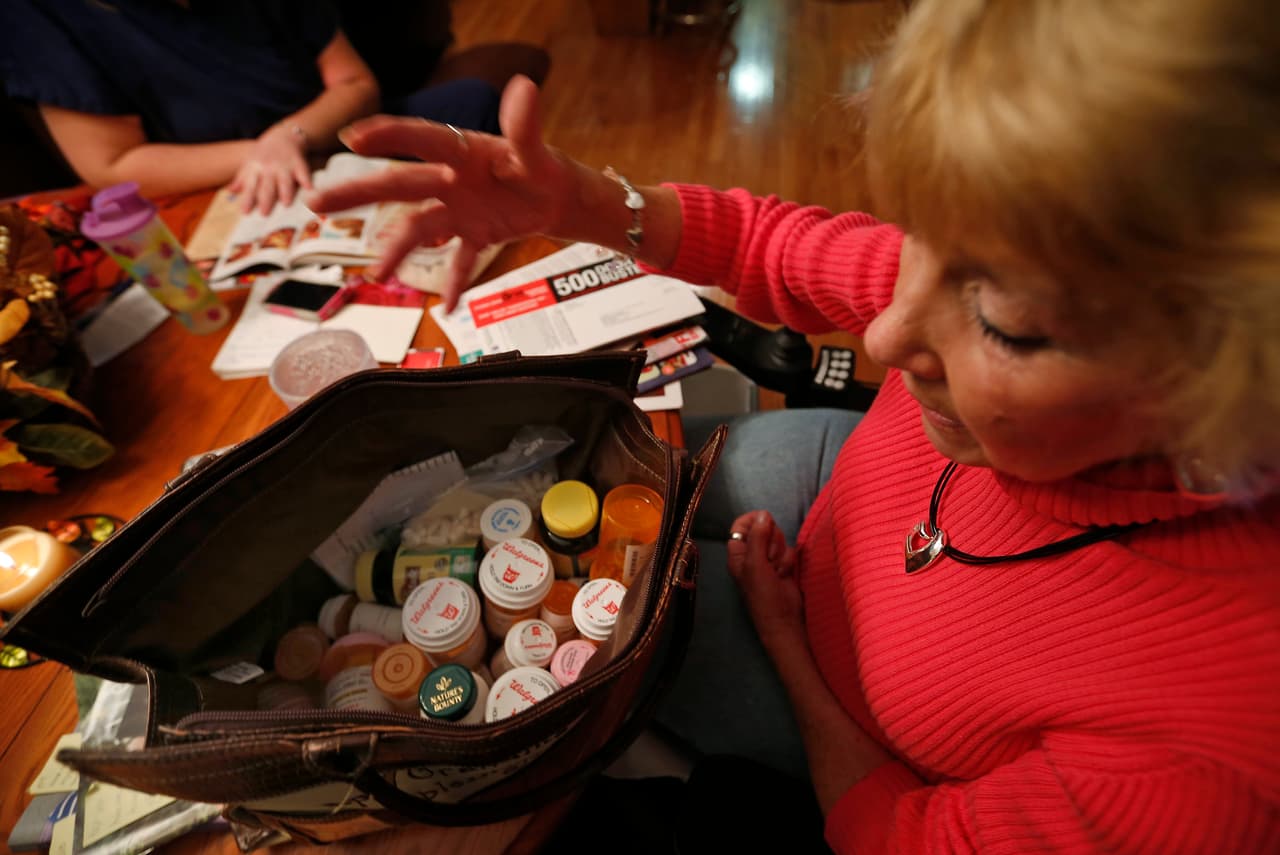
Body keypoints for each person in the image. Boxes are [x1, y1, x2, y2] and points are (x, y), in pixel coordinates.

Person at [308, 0, 1280, 851]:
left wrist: (790, 653)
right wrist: (586, 202)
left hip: (828, 699)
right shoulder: (1049, 273)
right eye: (919, 238)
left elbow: (898, 835)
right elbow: (777, 244)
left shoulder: (1210, 755)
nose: (888, 332)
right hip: (838, 510)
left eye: (1006, 325)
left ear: (1223, 384)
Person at [0, 0, 501, 212]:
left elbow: (353, 82)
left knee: (472, 103)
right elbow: (111, 165)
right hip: (217, 190)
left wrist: (289, 138)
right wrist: (256, 157)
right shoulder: (44, 18)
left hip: (329, 139)